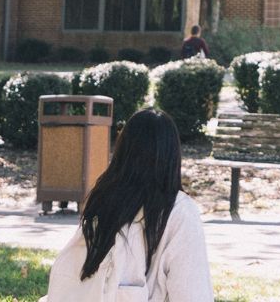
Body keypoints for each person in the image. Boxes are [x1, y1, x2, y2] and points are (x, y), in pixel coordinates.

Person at [47, 109, 213, 301]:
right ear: (172, 156)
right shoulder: (180, 210)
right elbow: (192, 292)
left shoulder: (104, 198)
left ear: (123, 151)